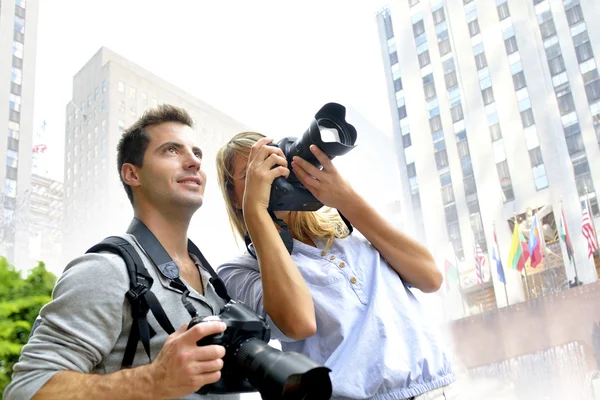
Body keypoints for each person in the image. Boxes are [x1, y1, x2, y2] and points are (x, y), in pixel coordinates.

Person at [4, 105, 239, 400]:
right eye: (171, 150)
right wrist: (153, 379)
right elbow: (26, 390)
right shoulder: (106, 270)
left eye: (197, 153)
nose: (193, 162)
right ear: (132, 174)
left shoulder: (216, 283)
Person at [215, 132, 459, 400]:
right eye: (254, 171)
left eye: (276, 162)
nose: (270, 174)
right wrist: (257, 212)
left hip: (436, 391)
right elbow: (298, 324)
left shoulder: (347, 232)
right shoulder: (239, 270)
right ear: (234, 198)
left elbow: (430, 278)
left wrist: (346, 198)